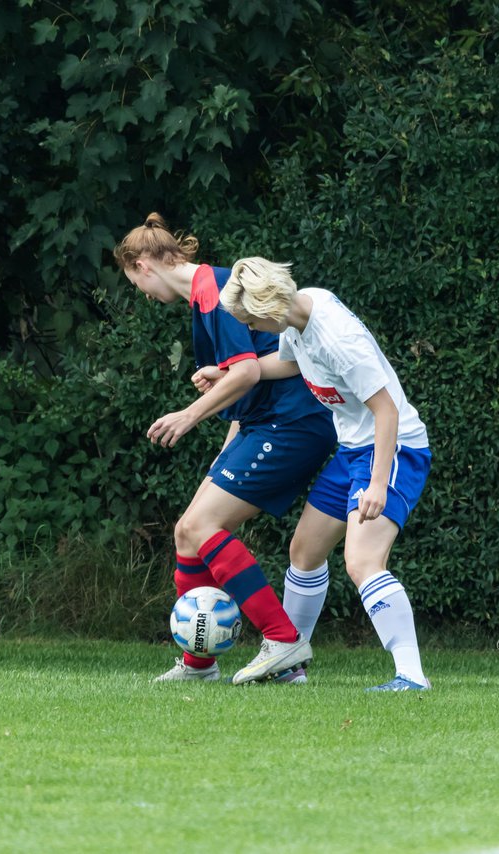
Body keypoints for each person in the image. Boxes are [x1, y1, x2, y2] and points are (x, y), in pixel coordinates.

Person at [113, 215, 337, 685]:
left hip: (293, 424)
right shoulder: (205, 293)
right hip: (266, 424)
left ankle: (283, 640)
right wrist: (226, 450)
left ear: (142, 266)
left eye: (136, 283)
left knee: (200, 524)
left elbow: (248, 374)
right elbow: (243, 378)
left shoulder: (214, 290)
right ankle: (199, 664)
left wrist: (187, 416)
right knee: (186, 532)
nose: (143, 294)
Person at [211, 257, 433, 691]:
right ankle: (289, 660)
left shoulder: (337, 338)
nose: (249, 328)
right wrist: (226, 375)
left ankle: (411, 675)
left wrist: (376, 483)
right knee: (304, 550)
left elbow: (386, 411)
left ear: (266, 309)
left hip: (392, 447)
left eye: (248, 320)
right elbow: (287, 364)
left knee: (363, 561)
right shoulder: (296, 318)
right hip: (353, 449)